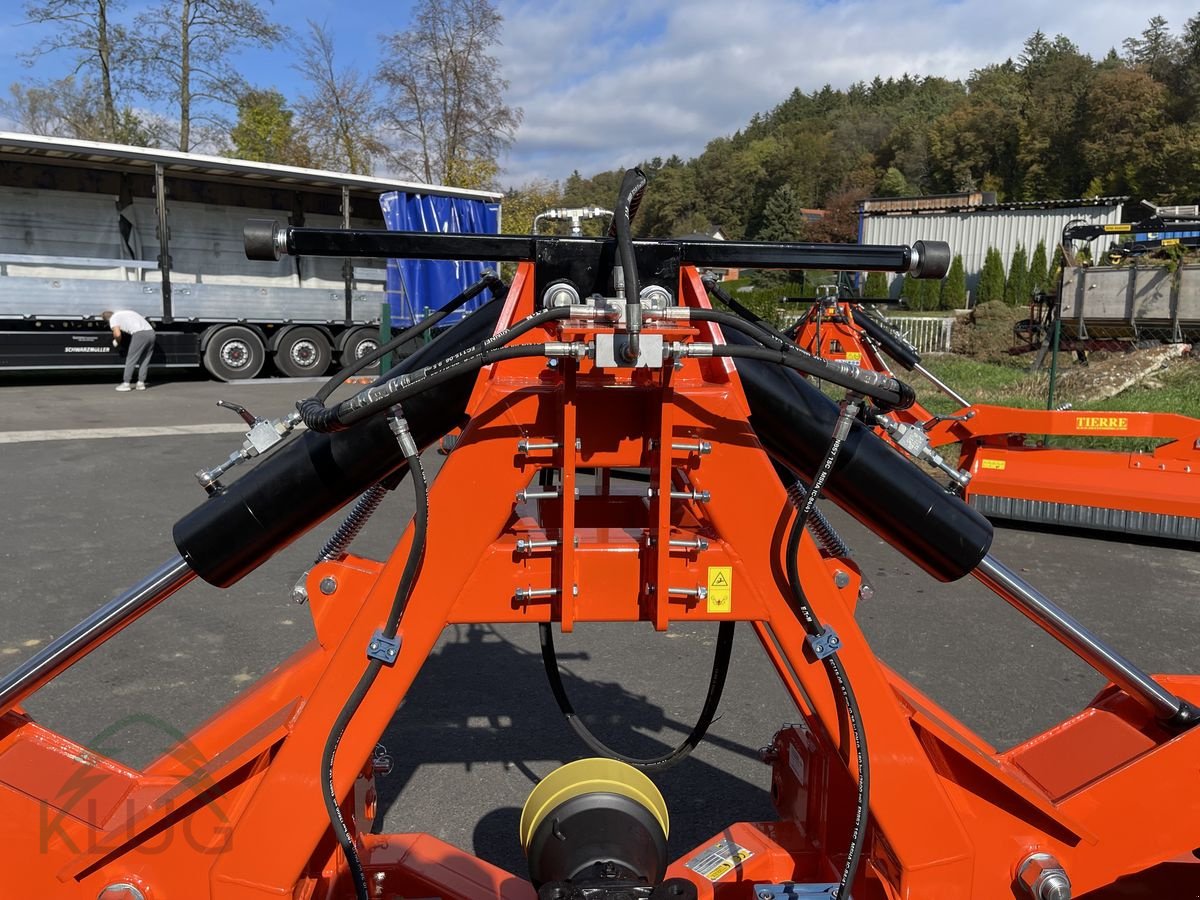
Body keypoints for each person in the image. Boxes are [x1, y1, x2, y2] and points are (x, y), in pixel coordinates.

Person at [101, 309, 157, 391]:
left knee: (131, 359)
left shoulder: (113, 318)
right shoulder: (126, 312)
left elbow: (117, 333)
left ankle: (126, 384)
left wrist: (116, 341)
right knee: (145, 359)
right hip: (151, 333)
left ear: (107, 319)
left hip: (139, 334)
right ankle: (141, 383)